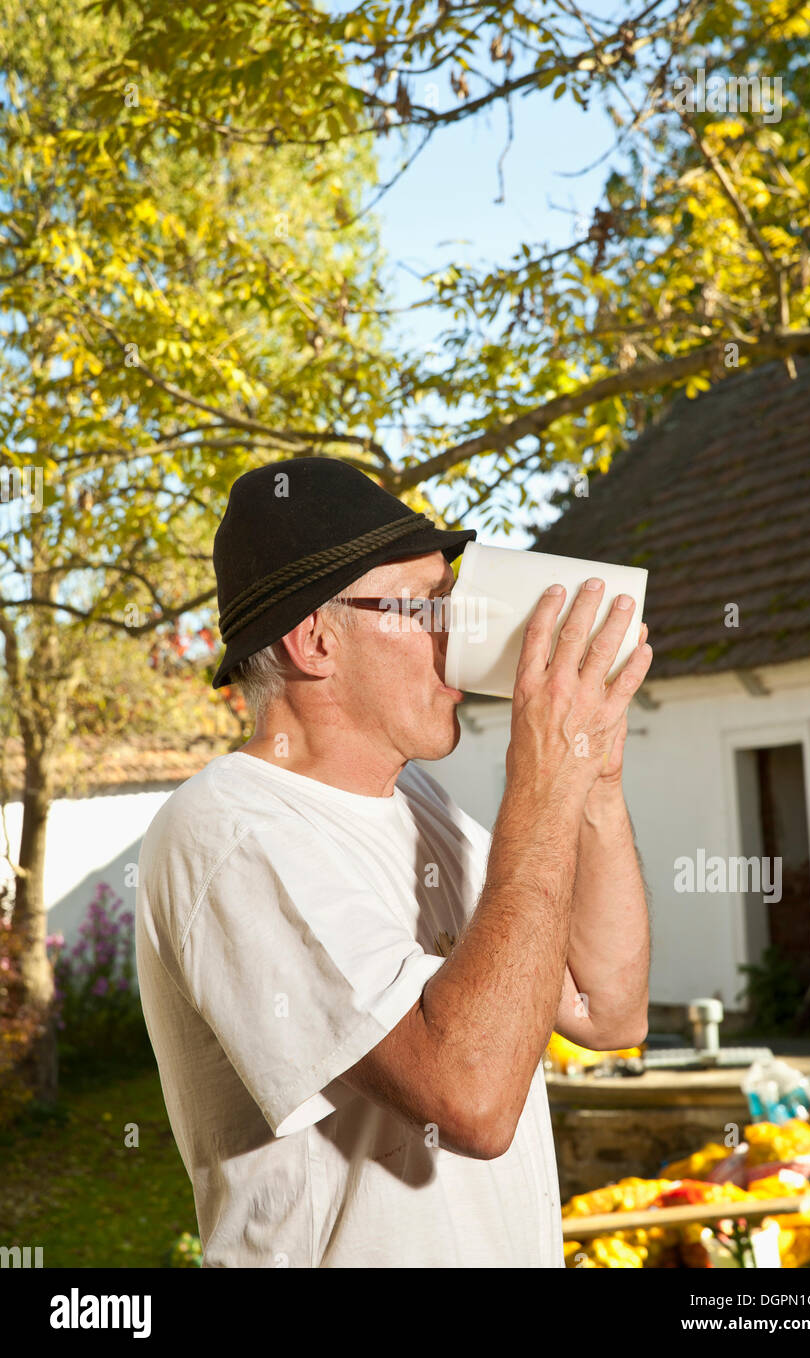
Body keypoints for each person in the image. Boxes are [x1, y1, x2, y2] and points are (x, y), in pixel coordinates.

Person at [135, 456, 653, 1267]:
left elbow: (609, 1009)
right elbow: (472, 1100)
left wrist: (591, 779)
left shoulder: (421, 804)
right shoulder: (232, 833)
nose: (460, 639)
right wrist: (541, 788)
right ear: (315, 641)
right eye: (427, 608)